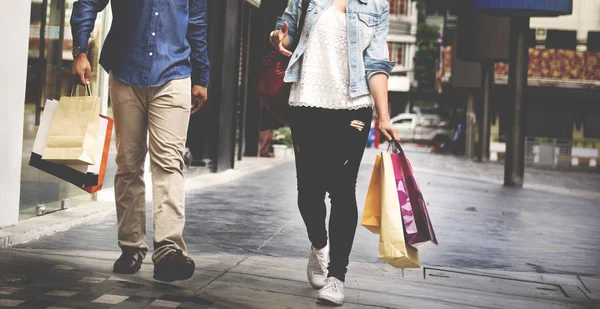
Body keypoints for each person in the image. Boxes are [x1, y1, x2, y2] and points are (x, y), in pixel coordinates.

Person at [269, 0, 398, 305]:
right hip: (307, 101)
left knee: (342, 190)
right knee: (309, 192)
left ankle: (337, 276)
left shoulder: (377, 6)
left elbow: (377, 63)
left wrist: (385, 116)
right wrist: (278, 38)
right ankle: (318, 246)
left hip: (353, 107)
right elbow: (284, 32)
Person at [71, 0, 209, 282]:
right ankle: (131, 246)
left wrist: (202, 76)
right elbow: (86, 2)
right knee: (128, 163)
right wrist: (80, 50)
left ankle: (168, 250)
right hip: (126, 73)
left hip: (174, 74)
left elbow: (197, 24)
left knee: (169, 163)